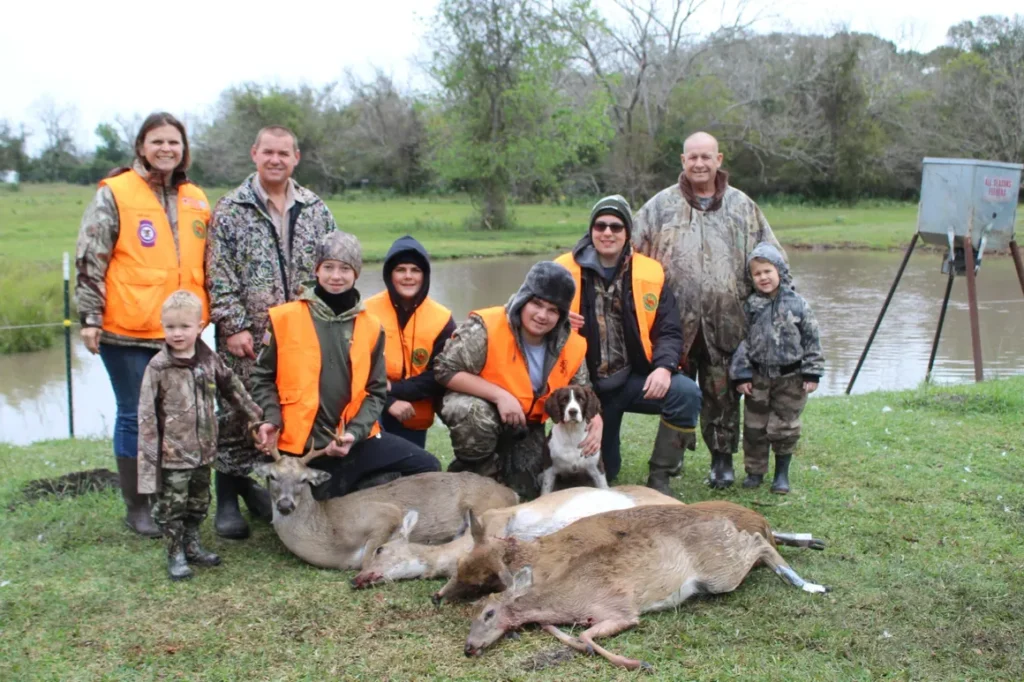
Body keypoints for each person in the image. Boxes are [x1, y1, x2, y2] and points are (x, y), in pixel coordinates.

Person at [75, 112, 211, 537]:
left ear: (183, 148)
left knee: (176, 418)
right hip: (127, 328)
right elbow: (90, 255)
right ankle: (137, 506)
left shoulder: (196, 197)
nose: (166, 149)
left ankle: (171, 500)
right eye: (158, 142)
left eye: (174, 142)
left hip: (182, 331)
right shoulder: (115, 192)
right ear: (141, 146)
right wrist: (90, 318)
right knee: (135, 417)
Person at [205, 125, 338, 538]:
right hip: (247, 337)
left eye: (284, 153)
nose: (276, 159)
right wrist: (233, 325)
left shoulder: (316, 209)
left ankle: (272, 490)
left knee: (283, 414)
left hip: (299, 337)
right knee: (236, 415)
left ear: (296, 157)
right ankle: (227, 500)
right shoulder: (230, 209)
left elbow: (330, 269)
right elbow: (217, 270)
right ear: (254, 154)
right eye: (268, 152)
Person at [632, 131, 786, 489]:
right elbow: (630, 254)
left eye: (706, 157)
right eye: (692, 157)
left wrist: (776, 309)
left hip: (729, 322)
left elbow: (774, 260)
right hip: (673, 325)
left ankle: (721, 461)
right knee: (678, 389)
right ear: (682, 161)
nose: (699, 164)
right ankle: (674, 457)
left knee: (723, 394)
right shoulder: (659, 207)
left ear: (719, 160)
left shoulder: (744, 207)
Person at [250, 232, 440, 497]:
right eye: (328, 267)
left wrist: (353, 433)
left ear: (356, 274)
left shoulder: (372, 326)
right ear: (317, 270)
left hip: (353, 441)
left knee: (427, 466)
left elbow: (376, 391)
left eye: (344, 268)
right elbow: (261, 376)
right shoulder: (284, 318)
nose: (335, 276)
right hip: (300, 447)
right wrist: (271, 417)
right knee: (310, 509)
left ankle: (363, 494)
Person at [555, 195, 701, 494]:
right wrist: (557, 319)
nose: (607, 232)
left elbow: (670, 330)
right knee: (603, 472)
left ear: (627, 233)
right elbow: (526, 314)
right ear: (591, 230)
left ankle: (661, 475)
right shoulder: (561, 271)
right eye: (600, 225)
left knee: (685, 392)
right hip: (586, 390)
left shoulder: (650, 272)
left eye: (615, 226)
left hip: (633, 380)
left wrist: (663, 368)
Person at [434, 261, 599, 498]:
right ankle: (474, 469)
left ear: (562, 315)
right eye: (537, 303)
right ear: (523, 298)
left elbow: (583, 388)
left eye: (553, 310)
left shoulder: (570, 343)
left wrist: (598, 420)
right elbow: (444, 369)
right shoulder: (487, 326)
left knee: (528, 488)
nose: (542, 315)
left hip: (526, 424)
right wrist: (499, 396)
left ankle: (497, 468)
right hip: (484, 411)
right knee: (471, 412)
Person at [137, 291, 262, 580]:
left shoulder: (209, 360)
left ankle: (192, 545)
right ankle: (175, 552)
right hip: (173, 456)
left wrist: (255, 416)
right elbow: (146, 418)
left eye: (184, 327)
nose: (177, 333)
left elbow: (232, 388)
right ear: (162, 326)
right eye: (170, 327)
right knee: (173, 507)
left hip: (205, 452)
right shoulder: (158, 368)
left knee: (199, 502)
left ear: (200, 326)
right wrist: (149, 466)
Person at [729, 243, 823, 494]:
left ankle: (781, 474)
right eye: (757, 274)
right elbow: (741, 341)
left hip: (791, 378)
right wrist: (741, 374)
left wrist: (811, 372)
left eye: (767, 271)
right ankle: (755, 471)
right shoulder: (750, 306)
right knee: (754, 427)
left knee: (785, 426)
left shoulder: (798, 304)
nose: (763, 277)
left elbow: (812, 339)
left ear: (779, 270)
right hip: (758, 377)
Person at [363, 236, 456, 448]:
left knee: (413, 472)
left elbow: (439, 375)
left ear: (425, 276)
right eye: (400, 270)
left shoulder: (443, 319)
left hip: (414, 413)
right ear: (389, 275)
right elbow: (353, 369)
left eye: (415, 270)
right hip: (374, 408)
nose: (408, 276)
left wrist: (395, 389)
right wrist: (389, 402)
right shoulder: (366, 313)